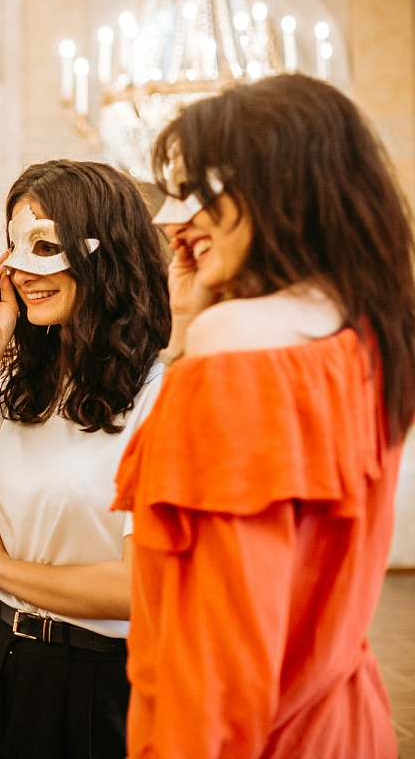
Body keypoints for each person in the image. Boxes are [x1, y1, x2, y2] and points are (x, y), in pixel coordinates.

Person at [114, 73, 415, 758]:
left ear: (277, 188)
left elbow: (222, 648)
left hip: (259, 735)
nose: (174, 219)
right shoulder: (368, 337)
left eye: (197, 190)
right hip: (343, 716)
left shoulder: (238, 351)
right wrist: (193, 325)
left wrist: (199, 338)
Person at [0, 159, 171, 758]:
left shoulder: (159, 397)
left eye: (45, 245)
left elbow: (140, 587)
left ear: (104, 253)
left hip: (98, 676)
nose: (23, 268)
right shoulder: (28, 384)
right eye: (13, 246)